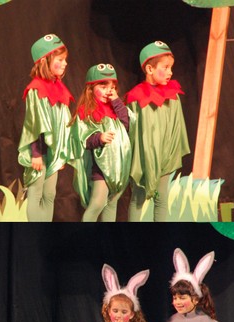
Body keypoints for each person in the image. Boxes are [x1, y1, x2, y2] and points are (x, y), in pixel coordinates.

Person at [126, 41, 190, 221]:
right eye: (165, 67)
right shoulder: (137, 97)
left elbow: (176, 129)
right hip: (142, 160)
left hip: (165, 158)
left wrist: (169, 154)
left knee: (162, 199)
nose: (170, 72)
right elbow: (134, 132)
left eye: (171, 68)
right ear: (149, 69)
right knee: (138, 198)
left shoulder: (173, 96)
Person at [17, 34, 73, 221]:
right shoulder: (36, 88)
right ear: (44, 61)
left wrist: (61, 152)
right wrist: (36, 153)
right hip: (39, 152)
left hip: (53, 152)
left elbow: (63, 123)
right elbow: (34, 123)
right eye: (60, 60)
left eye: (65, 60)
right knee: (36, 192)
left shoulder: (59, 87)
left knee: (50, 194)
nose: (65, 63)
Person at [68, 65, 132, 222]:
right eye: (103, 87)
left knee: (112, 204)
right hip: (101, 168)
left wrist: (116, 100)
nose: (108, 91)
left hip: (119, 168)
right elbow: (83, 139)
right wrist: (99, 138)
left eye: (112, 87)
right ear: (91, 89)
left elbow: (126, 124)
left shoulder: (116, 109)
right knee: (97, 203)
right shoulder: (87, 112)